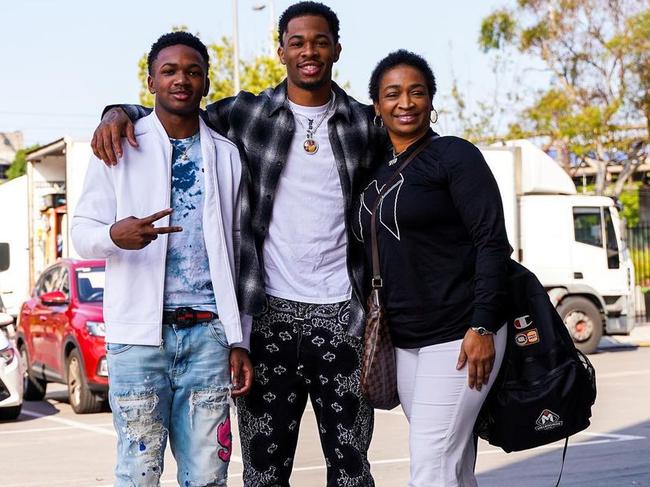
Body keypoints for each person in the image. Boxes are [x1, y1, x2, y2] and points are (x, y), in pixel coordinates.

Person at [90, 3, 383, 486]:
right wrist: (116, 112)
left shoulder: (363, 124)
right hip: (268, 319)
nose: (309, 51)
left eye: (320, 41)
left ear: (336, 48)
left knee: (352, 470)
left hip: (342, 316)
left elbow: (414, 148)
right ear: (281, 50)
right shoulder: (247, 114)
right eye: (297, 42)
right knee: (264, 473)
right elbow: (177, 112)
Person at [72, 32, 253, 487]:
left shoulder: (227, 157)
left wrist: (238, 338)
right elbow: (81, 233)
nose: (181, 80)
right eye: (169, 71)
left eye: (193, 71)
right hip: (137, 341)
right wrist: (116, 236)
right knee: (138, 473)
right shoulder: (118, 147)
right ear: (150, 82)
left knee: (209, 475)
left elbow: (234, 251)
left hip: (208, 338)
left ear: (206, 83)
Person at [352, 50, 510, 487]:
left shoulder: (454, 156)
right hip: (403, 340)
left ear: (431, 100)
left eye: (416, 92)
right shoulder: (377, 171)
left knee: (430, 464)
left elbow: (492, 243)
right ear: (378, 105)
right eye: (393, 94)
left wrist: (481, 327)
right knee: (452, 464)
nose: (406, 102)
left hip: (458, 334)